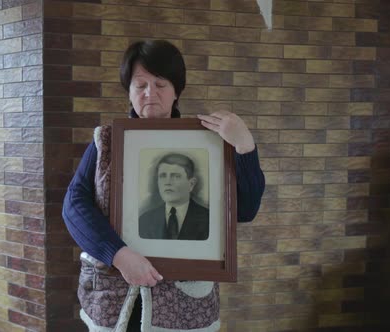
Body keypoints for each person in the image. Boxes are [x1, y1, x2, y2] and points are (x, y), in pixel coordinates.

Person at [62, 40, 265, 331]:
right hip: (114, 299)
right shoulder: (105, 142)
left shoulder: (207, 143)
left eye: (160, 84)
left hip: (183, 308)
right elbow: (74, 205)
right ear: (129, 91)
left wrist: (245, 146)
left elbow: (244, 210)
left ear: (176, 91)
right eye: (140, 85)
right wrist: (118, 254)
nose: (149, 94)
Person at [139, 153, 209, 240]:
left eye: (176, 176)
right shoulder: (145, 220)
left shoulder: (208, 219)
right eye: (163, 176)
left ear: (191, 184)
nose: (167, 182)